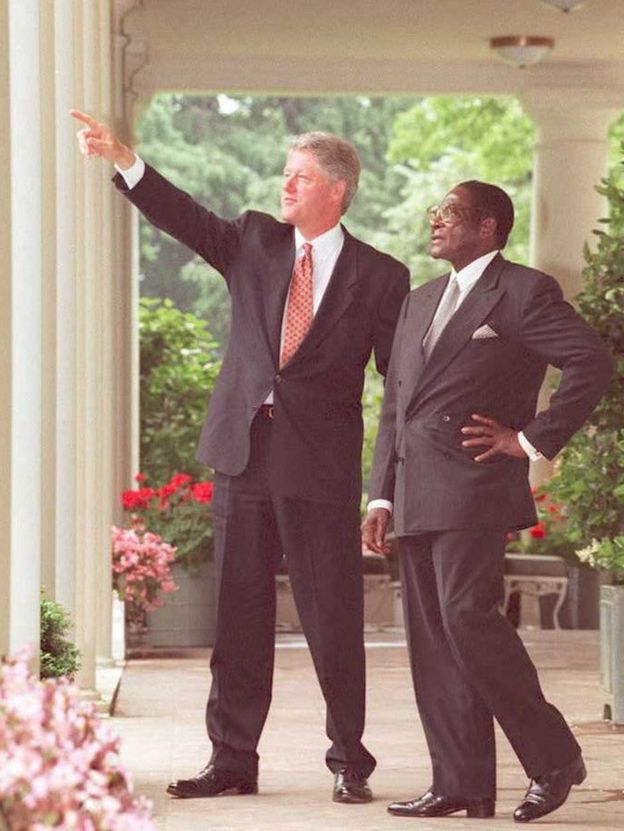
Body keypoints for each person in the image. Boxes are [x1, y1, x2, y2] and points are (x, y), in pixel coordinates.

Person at [72, 109, 409, 804]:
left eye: (301, 176)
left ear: (337, 189)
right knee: (239, 619)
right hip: (243, 457)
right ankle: (231, 759)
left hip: (320, 467)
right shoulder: (255, 239)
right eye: (285, 173)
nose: (286, 185)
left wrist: (389, 485)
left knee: (333, 619)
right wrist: (127, 159)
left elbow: (401, 385)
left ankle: (351, 759)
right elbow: (188, 218)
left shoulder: (381, 275)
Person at [362, 180, 612, 822]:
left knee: (467, 620)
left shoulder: (524, 291)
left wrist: (529, 439)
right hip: (414, 490)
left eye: (449, 213)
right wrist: (380, 496)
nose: (435, 221)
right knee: (434, 638)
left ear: (489, 226)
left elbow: (590, 361)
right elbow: (396, 406)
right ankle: (461, 783)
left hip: (474, 484)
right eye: (435, 213)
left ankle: (553, 758)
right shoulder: (419, 301)